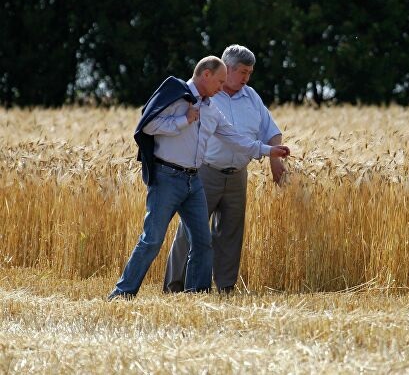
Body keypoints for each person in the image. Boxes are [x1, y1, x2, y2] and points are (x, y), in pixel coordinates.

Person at [107, 56, 290, 300]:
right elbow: (147, 125)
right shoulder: (176, 94)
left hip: (194, 182)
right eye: (220, 81)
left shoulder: (211, 109)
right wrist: (184, 120)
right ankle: (122, 293)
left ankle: (197, 295)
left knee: (203, 243)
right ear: (206, 75)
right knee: (152, 240)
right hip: (166, 179)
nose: (222, 86)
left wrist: (269, 151)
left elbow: (235, 139)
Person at [163, 45, 284, 294]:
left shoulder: (252, 97)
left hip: (238, 174)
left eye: (249, 73)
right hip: (205, 172)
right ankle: (175, 287)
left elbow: (272, 130)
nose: (246, 78)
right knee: (190, 231)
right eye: (242, 72)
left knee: (231, 234)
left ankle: (225, 287)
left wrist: (275, 160)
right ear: (226, 69)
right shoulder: (202, 93)